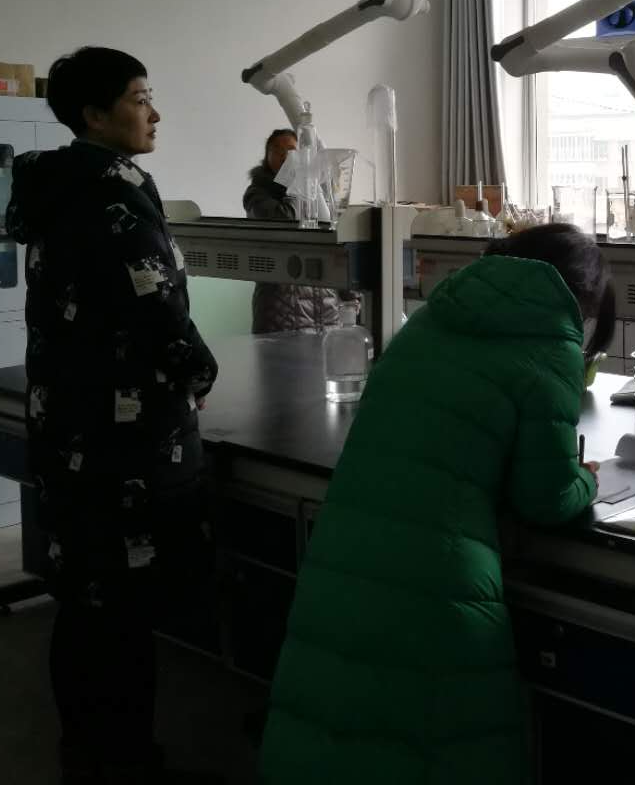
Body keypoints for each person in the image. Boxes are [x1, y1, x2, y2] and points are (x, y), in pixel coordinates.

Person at [259, 223, 614, 784]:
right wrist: (586, 481)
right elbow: (545, 498)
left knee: (334, 710)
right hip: (438, 576)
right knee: (436, 740)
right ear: (580, 299)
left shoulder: (435, 315)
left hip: (346, 548)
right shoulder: (551, 342)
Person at [6, 46, 220, 783]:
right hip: (125, 446)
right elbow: (157, 309)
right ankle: (128, 764)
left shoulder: (56, 188)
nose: (154, 113)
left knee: (86, 606)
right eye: (139, 98)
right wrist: (200, 372)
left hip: (69, 426)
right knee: (123, 618)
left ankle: (88, 756)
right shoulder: (113, 195)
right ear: (96, 115)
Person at [242, 128, 342, 332]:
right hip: (282, 306)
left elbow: (336, 237)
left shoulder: (317, 191)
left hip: (326, 305)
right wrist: (298, 183)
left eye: (291, 151)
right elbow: (285, 219)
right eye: (278, 151)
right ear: (267, 157)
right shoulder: (257, 193)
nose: (286, 157)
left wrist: (350, 296)